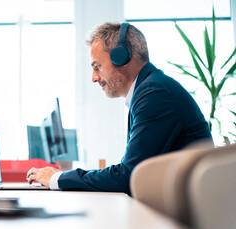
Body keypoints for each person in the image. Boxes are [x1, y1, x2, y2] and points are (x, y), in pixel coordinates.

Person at [26, 22, 212, 194]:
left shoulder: (154, 93)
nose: (94, 77)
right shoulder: (149, 90)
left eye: (97, 66)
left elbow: (127, 176)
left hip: (187, 220)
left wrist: (57, 178)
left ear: (121, 57)